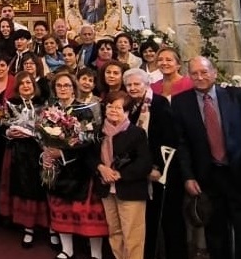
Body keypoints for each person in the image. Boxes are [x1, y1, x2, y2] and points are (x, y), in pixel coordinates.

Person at [172, 56, 241, 259]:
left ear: (214, 73)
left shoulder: (237, 96)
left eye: (204, 72)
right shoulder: (181, 102)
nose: (200, 77)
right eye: (194, 73)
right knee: (216, 236)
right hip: (208, 178)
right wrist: (188, 176)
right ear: (189, 76)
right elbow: (182, 144)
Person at [123, 68, 188, 259]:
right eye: (129, 85)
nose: (133, 88)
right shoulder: (131, 107)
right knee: (149, 220)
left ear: (146, 84)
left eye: (137, 84)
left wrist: (157, 166)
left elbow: (169, 137)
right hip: (141, 170)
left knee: (170, 219)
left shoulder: (158, 103)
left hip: (163, 170)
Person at [44, 72, 106, 259]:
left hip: (81, 167)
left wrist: (63, 152)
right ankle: (67, 249)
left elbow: (88, 141)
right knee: (60, 209)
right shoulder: (50, 110)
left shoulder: (84, 110)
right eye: (59, 86)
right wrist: (46, 152)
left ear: (74, 88)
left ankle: (96, 253)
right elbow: (43, 135)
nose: (63, 89)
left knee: (88, 213)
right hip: (58, 169)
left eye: (67, 85)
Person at [92, 91, 151, 259]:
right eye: (110, 106)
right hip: (106, 189)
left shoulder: (136, 133)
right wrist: (101, 168)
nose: (113, 110)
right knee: (114, 232)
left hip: (130, 189)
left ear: (127, 111)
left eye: (118, 108)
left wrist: (119, 174)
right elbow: (89, 157)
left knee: (133, 235)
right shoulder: (98, 131)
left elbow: (144, 163)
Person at [0, 72, 49, 248]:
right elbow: (2, 125)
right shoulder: (12, 104)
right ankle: (28, 228)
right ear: (17, 87)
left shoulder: (44, 104)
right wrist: (8, 132)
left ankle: (50, 229)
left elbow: (49, 129)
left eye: (29, 83)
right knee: (23, 187)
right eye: (22, 84)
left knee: (42, 188)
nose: (26, 86)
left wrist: (34, 133)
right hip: (18, 152)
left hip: (40, 152)